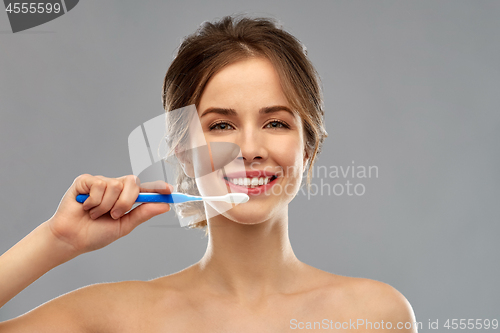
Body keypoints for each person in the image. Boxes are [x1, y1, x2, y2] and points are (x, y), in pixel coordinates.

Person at [0, 15, 417, 332]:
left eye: (276, 123)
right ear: (183, 153)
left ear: (307, 148)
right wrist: (57, 241)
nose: (250, 150)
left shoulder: (375, 315)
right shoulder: (113, 318)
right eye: (221, 126)